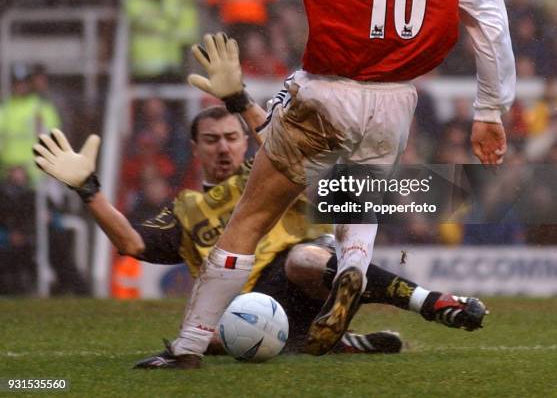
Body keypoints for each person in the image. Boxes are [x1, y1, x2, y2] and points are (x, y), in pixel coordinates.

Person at [33, 35, 488, 368]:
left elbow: (278, 137)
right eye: (210, 141)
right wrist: (88, 190)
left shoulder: (267, 173)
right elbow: (132, 244)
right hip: (246, 310)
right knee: (222, 333)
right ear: (195, 150)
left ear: (242, 140)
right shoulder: (187, 208)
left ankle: (434, 302)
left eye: (231, 137)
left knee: (306, 255)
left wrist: (239, 99)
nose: (223, 147)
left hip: (307, 275)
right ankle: (333, 339)